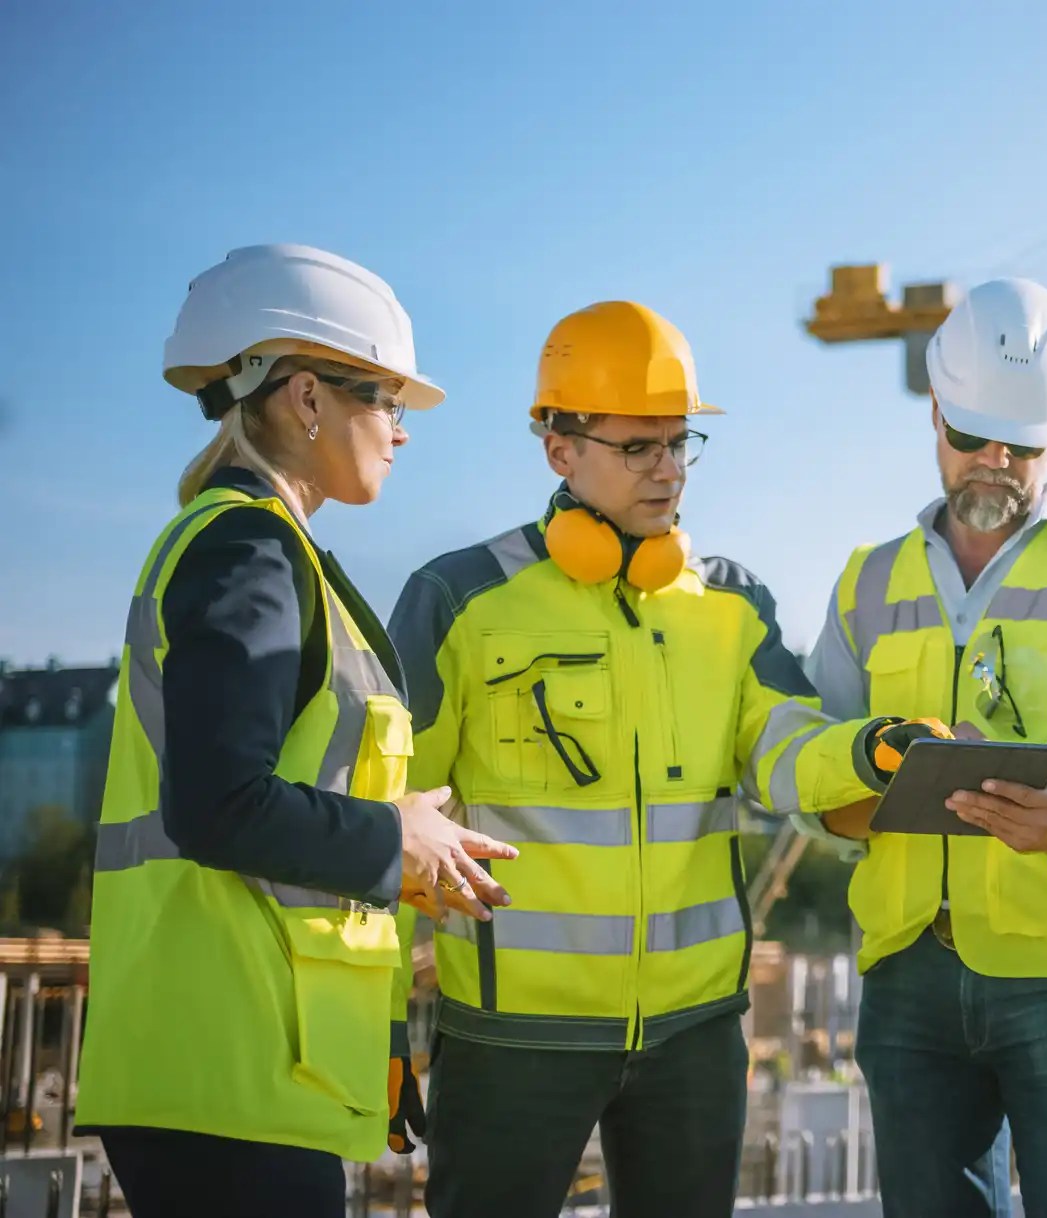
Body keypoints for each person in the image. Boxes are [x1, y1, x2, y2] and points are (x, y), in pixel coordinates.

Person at [386, 299, 925, 1218]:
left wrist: (873, 751)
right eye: (639, 447)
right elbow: (395, 816)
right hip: (516, 1038)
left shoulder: (732, 606)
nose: (668, 470)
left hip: (695, 1036)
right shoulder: (460, 600)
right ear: (559, 448)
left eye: (679, 444)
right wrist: (386, 1019)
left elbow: (785, 750)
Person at [74, 244, 519, 1218]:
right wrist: (395, 836)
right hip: (224, 1067)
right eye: (386, 401)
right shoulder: (248, 548)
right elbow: (218, 804)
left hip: (243, 1066)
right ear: (308, 399)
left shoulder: (265, 551)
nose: (402, 432)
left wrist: (404, 864)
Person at [804, 277, 1047, 1218]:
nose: (995, 462)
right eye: (973, 437)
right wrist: (868, 777)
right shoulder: (868, 581)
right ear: (934, 411)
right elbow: (811, 755)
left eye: (1020, 446)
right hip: (909, 971)